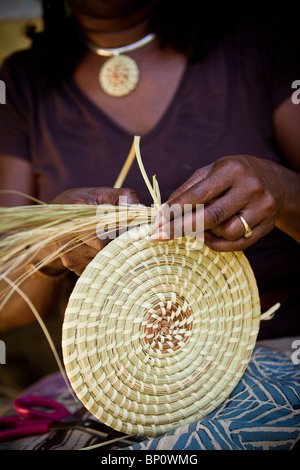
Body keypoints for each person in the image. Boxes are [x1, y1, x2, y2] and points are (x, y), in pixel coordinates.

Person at [0, 0, 299, 346]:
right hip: (115, 379)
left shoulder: (261, 34)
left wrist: (282, 191)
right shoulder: (21, 84)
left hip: (282, 349)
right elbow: (6, 302)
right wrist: (47, 245)